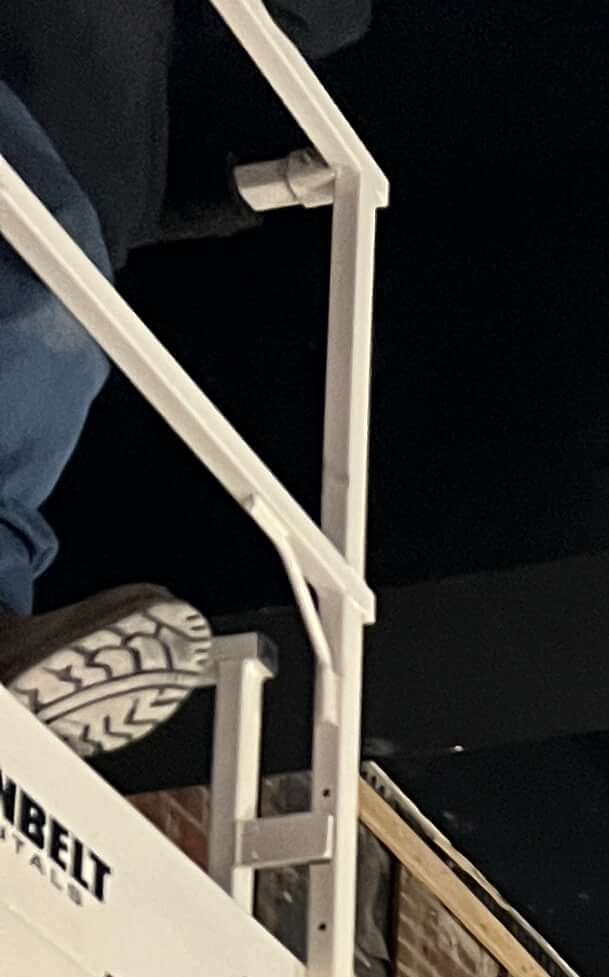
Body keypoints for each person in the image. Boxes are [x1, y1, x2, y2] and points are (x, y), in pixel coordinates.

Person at [0, 3, 368, 760]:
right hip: (51, 172)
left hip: (79, 172)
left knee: (52, 332)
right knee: (49, 324)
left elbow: (324, 17)